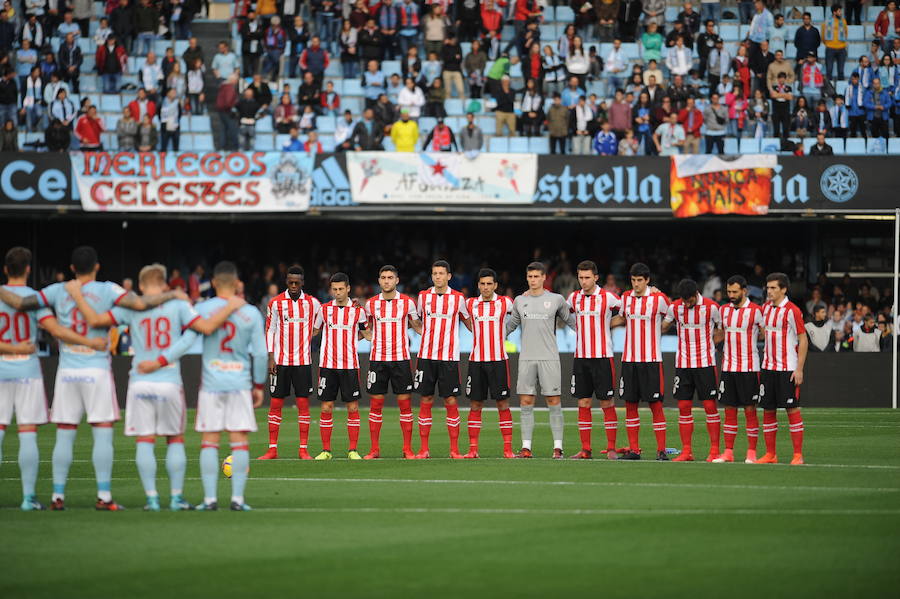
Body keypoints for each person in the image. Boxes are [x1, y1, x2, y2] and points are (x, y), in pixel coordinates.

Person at [0, 246, 183, 510]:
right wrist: (172, 294)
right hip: (95, 369)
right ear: (97, 267)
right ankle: (104, 496)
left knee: (64, 434)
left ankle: (57, 495)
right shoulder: (108, 289)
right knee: (102, 433)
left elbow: (20, 304)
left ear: (72, 268)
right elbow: (141, 304)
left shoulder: (56, 290)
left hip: (67, 370)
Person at [69, 264, 242, 511]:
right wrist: (230, 307)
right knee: (175, 440)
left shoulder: (129, 307)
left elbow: (96, 320)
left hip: (139, 380)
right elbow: (202, 329)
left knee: (145, 441)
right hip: (169, 379)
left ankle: (151, 498)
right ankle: (175, 497)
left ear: (140, 285)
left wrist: (76, 297)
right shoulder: (178, 305)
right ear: (164, 284)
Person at [0, 247, 109, 511]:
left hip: (1, 370)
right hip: (27, 371)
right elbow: (57, 330)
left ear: (6, 270)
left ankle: (41, 496)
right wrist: (89, 342)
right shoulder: (36, 300)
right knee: (27, 433)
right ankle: (28, 498)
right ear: (28, 269)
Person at [191, 262, 266, 511]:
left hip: (211, 384)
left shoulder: (202, 308)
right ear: (236, 284)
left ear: (213, 283)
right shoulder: (251, 312)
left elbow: (187, 338)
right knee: (239, 442)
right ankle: (238, 500)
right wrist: (258, 385)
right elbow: (262, 354)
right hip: (239, 384)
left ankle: (210, 499)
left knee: (209, 441)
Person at [505, 262, 576, 459]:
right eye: (530, 277)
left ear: (544, 278)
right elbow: (510, 326)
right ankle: (526, 448)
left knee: (553, 401)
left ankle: (558, 448)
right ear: (527, 278)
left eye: (537, 276)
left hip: (549, 358)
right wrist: (491, 335)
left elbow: (573, 322)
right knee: (526, 402)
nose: (533, 280)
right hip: (526, 358)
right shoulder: (519, 301)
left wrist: (595, 332)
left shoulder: (556, 300)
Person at [256, 266, 321, 461]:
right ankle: (272, 449)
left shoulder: (312, 303)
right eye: (290, 282)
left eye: (297, 282)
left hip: (302, 362)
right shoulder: (275, 303)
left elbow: (327, 314)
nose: (293, 286)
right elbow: (270, 330)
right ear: (286, 282)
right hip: (281, 361)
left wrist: (351, 304)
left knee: (303, 404)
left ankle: (303, 450)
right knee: (275, 403)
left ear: (302, 283)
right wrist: (271, 356)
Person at [413, 261, 472, 459]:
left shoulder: (458, 298)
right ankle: (423, 449)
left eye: (441, 273)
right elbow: (415, 320)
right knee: (425, 399)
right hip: (426, 356)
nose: (437, 277)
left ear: (449, 276)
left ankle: (454, 450)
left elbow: (468, 321)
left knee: (450, 400)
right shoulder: (423, 297)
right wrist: (423, 333)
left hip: (448, 357)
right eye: (434, 273)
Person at [564, 260, 622, 460]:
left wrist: (607, 324)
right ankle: (585, 449)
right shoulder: (574, 298)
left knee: (607, 402)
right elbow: (565, 314)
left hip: (603, 357)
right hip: (581, 358)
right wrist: (577, 326)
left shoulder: (608, 297)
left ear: (596, 278)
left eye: (587, 277)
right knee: (584, 402)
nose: (583, 281)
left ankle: (612, 448)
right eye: (580, 277)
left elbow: (625, 312)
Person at [363, 265, 422, 459]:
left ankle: (407, 449)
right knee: (375, 405)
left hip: (401, 360)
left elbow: (418, 326)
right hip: (377, 360)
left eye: (390, 277)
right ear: (379, 281)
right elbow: (366, 329)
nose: (386, 280)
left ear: (397, 280)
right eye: (383, 277)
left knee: (405, 404)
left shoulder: (407, 303)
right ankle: (374, 449)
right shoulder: (370, 304)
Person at [661, 279, 723, 462]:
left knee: (710, 406)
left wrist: (713, 344)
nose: (687, 304)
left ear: (697, 294)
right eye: (684, 301)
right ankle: (687, 451)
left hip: (705, 363)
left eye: (690, 300)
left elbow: (721, 329)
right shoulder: (675, 307)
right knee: (683, 406)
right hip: (683, 364)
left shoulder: (711, 307)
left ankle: (714, 451)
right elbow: (664, 326)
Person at [307, 273, 367, 460]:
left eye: (341, 289)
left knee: (353, 408)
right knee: (326, 407)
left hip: (350, 365)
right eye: (335, 289)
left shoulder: (358, 311)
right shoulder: (324, 310)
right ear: (331, 290)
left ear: (348, 289)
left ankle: (353, 450)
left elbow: (366, 333)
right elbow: (315, 331)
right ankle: (326, 450)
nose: (338, 293)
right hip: (327, 365)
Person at [618, 263, 670, 461]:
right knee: (630, 405)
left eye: (640, 280)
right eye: (633, 280)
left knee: (655, 405)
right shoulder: (625, 298)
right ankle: (634, 450)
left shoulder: (659, 299)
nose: (636, 284)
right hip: (629, 360)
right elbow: (620, 318)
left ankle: (661, 450)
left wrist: (661, 329)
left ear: (647, 280)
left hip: (651, 360)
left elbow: (672, 314)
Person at [463, 268, 515, 458]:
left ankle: (507, 449)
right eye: (482, 284)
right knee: (475, 405)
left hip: (498, 360)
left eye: (489, 284)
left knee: (503, 404)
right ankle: (473, 449)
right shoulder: (469, 304)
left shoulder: (505, 302)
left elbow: (519, 316)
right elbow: (463, 320)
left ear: (495, 285)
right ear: (478, 285)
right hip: (476, 361)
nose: (485, 287)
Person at [757, 273, 807, 465]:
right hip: (768, 367)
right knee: (768, 410)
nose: (769, 291)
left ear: (784, 289)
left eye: (773, 288)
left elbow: (803, 339)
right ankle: (771, 454)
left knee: (791, 409)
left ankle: (797, 455)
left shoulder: (792, 311)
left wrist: (799, 369)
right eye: (768, 288)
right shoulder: (765, 309)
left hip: (788, 368)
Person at [712, 275, 763, 463]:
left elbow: (766, 333)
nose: (731, 295)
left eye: (735, 292)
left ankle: (751, 452)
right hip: (728, 367)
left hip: (749, 368)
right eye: (729, 292)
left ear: (744, 291)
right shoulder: (723, 310)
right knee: (729, 410)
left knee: (750, 409)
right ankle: (728, 452)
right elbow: (719, 333)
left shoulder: (756, 311)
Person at [822, 4, 848, 82]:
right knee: (829, 70)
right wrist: (828, 44)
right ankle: (829, 91)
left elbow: (846, 33)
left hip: (841, 48)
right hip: (830, 48)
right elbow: (823, 35)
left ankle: (841, 91)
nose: (841, 13)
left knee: (841, 70)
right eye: (839, 11)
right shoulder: (826, 22)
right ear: (834, 12)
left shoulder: (843, 21)